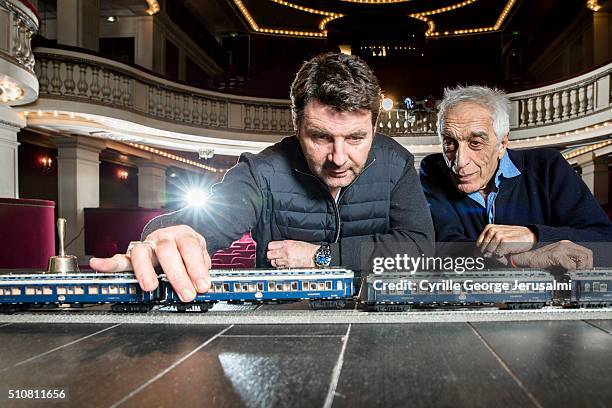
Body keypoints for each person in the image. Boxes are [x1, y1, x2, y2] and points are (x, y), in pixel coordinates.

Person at [91, 53, 435, 301]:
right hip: (282, 326)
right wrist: (164, 236)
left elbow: (421, 248)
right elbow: (193, 225)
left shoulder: (396, 162)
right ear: (296, 126)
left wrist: (320, 256)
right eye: (320, 137)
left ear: (374, 127)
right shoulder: (261, 172)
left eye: (356, 138)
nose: (339, 158)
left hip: (377, 319)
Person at [420, 85, 612, 270]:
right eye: (450, 143)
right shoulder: (433, 170)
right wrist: (524, 259)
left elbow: (605, 242)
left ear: (502, 144)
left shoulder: (547, 166)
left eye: (476, 143)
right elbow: (445, 252)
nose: (461, 162)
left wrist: (534, 236)